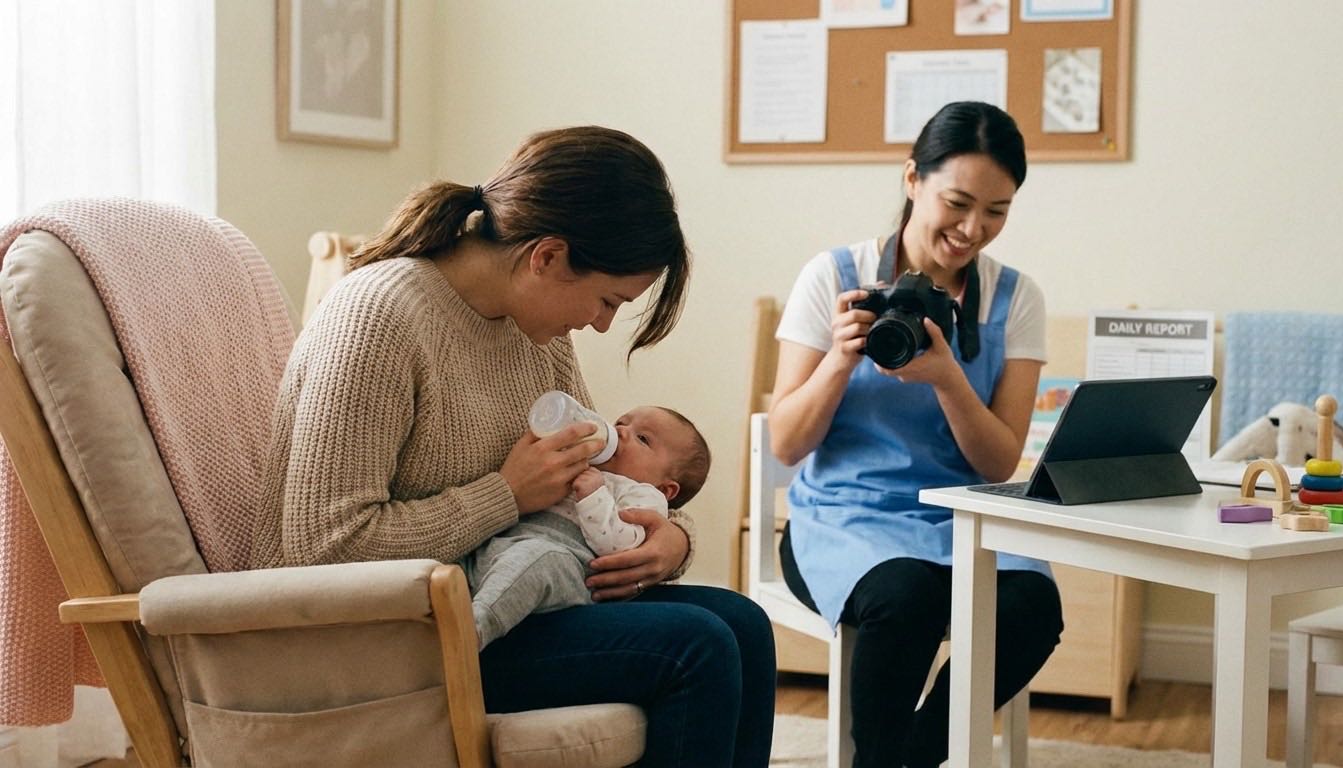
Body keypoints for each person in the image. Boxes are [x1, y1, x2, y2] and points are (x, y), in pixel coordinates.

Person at [249, 126, 774, 767]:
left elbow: (598, 475)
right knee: (697, 646)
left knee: (744, 625)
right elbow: (323, 547)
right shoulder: (378, 319)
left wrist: (671, 541)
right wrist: (505, 494)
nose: (603, 323)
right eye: (607, 300)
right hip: (382, 637)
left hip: (502, 601)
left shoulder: (539, 330)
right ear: (547, 256)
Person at [768, 102, 1064, 768]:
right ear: (912, 181)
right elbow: (786, 445)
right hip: (845, 519)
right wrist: (841, 359)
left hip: (966, 518)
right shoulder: (834, 277)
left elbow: (997, 462)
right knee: (907, 597)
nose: (972, 229)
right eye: (957, 202)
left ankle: (915, 755)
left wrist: (948, 378)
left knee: (1032, 605)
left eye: (996, 211)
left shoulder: (1017, 300)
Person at [462, 404, 712, 649]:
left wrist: (595, 497)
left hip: (568, 565)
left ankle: (472, 630)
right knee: (466, 565)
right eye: (621, 423)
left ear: (665, 489)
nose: (622, 432)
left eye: (643, 439)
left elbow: (620, 545)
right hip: (504, 545)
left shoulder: (643, 495)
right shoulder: (585, 464)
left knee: (536, 561)